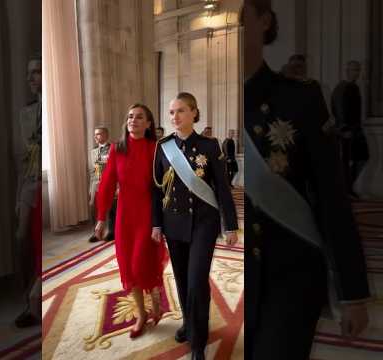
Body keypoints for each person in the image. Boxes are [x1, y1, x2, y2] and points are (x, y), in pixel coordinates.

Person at [243, 1, 370, 359]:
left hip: (289, 276)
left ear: (263, 21)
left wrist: (352, 291)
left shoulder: (300, 99)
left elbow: (332, 198)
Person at [152, 92, 239, 360]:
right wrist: (156, 223)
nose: (174, 117)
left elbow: (223, 188)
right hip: (173, 222)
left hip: (204, 221)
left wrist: (231, 225)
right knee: (181, 279)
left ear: (194, 113)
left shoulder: (210, 145)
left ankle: (198, 342)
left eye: (180, 111)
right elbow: (155, 189)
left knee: (196, 281)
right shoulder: (163, 146)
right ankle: (189, 324)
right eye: (171, 112)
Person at [95, 104, 168, 339]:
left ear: (148, 124)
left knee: (141, 264)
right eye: (130, 117)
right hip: (125, 217)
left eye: (139, 117)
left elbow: (164, 186)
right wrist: (100, 218)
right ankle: (141, 314)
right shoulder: (117, 149)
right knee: (128, 267)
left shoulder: (156, 148)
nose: (133, 120)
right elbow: (106, 185)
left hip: (147, 215)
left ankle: (156, 296)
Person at [13, 53, 42, 328]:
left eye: (36, 72)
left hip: (42, 181)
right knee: (22, 238)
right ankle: (28, 298)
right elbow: (23, 154)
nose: (31, 78)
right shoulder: (25, 112)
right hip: (29, 180)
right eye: (29, 73)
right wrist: (18, 195)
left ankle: (36, 303)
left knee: (37, 240)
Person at [331, 60, 369, 196]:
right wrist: (344, 129)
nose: (357, 73)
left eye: (358, 70)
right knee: (347, 161)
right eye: (354, 70)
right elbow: (339, 109)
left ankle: (347, 188)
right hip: (348, 131)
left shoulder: (352, 87)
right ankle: (346, 190)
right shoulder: (343, 88)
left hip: (355, 130)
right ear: (347, 71)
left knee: (360, 158)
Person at [88, 127, 116, 242]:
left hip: (110, 184)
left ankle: (111, 231)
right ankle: (97, 232)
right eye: (95, 134)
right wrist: (91, 188)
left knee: (111, 208)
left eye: (98, 134)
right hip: (97, 184)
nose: (95, 137)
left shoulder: (113, 149)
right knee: (96, 207)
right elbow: (92, 171)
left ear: (106, 135)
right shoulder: (93, 151)